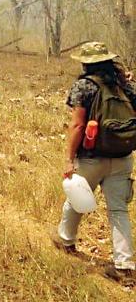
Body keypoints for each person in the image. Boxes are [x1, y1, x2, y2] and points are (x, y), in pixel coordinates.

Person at [54, 42, 135, 282]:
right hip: (122, 157)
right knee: (118, 211)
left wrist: (69, 159)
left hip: (91, 158)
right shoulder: (124, 85)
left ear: (86, 63)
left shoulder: (84, 86)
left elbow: (78, 125)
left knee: (76, 199)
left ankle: (66, 241)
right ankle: (125, 266)